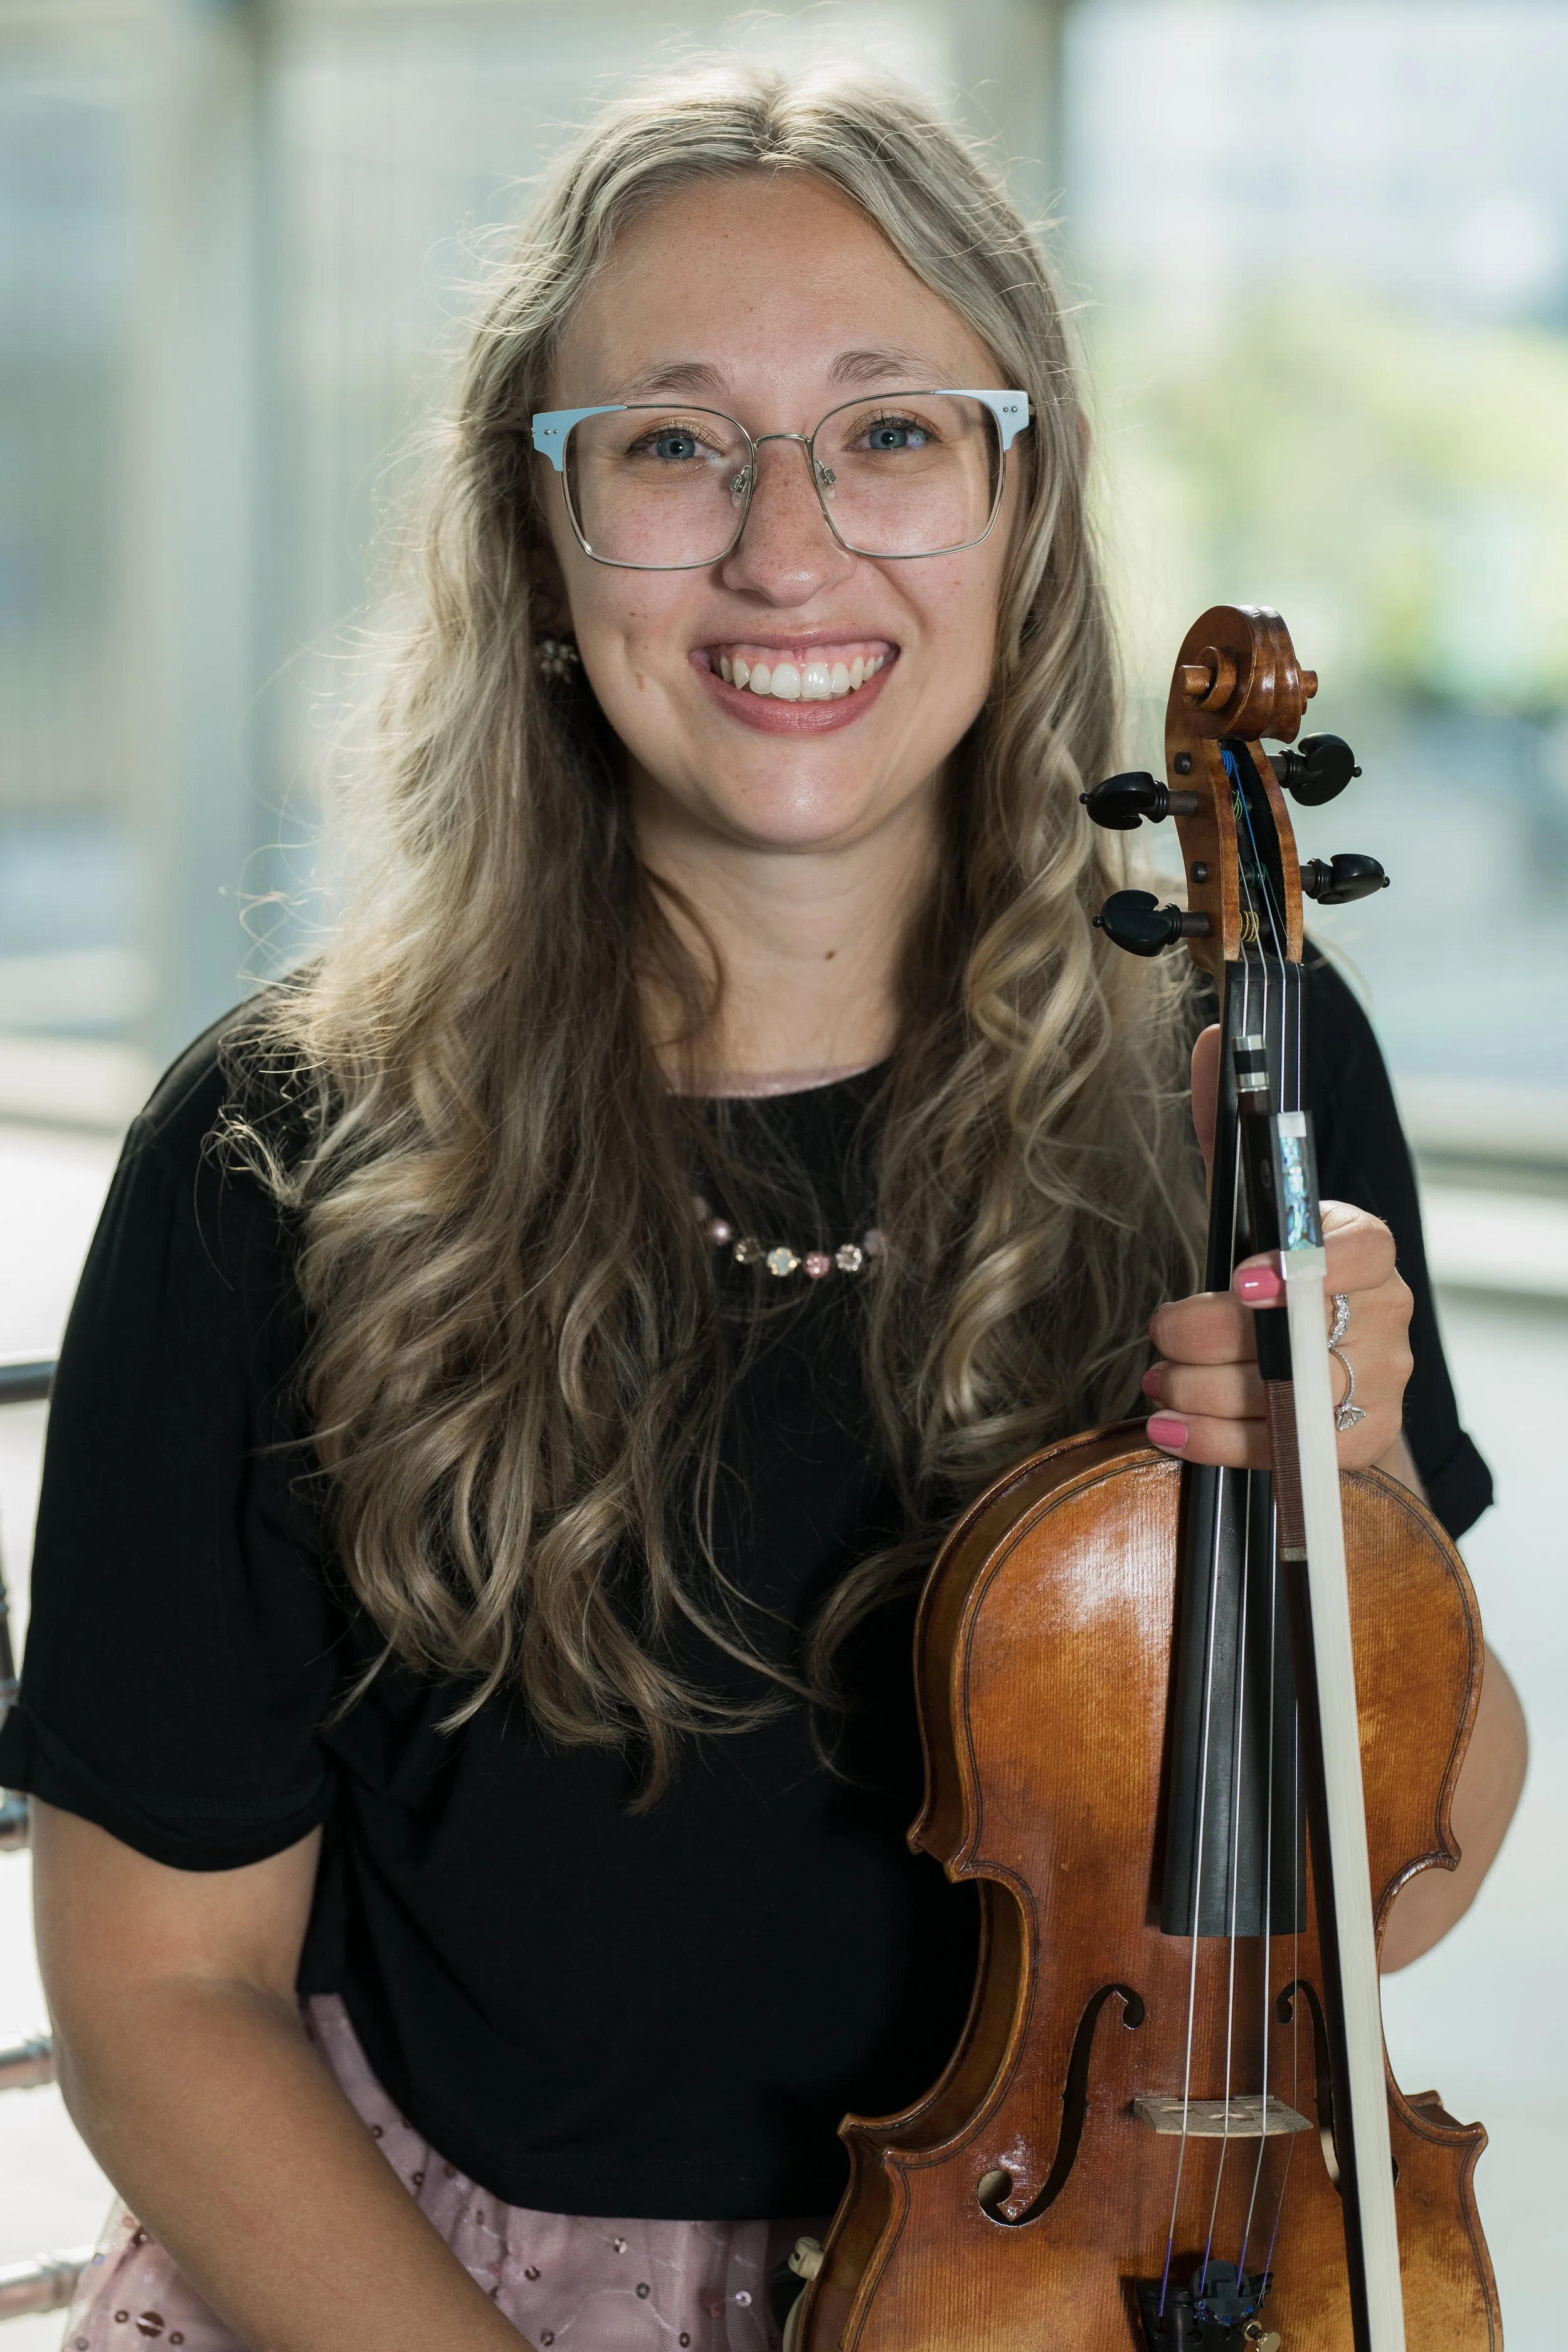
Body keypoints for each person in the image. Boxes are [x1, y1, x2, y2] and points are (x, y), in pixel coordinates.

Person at [1, 64, 1525, 2352]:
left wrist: (1357, 1479)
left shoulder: (1236, 1075)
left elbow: (1400, 1884)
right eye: (675, 444)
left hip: (1084, 2282)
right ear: (538, 532)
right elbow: (158, 1986)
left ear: (1021, 504)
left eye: (893, 431)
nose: (785, 549)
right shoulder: (268, 1162)